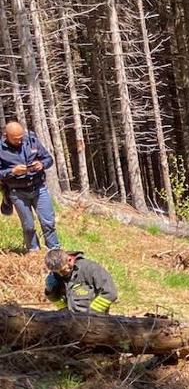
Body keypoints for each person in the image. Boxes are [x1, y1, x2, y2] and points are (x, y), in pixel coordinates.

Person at [0, 121, 60, 252]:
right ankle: (33, 252)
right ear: (6, 136)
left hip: (39, 188)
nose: (19, 141)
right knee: (28, 226)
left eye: (21, 137)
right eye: (15, 139)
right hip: (17, 192)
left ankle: (54, 250)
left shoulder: (32, 141)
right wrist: (12, 171)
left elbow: (48, 159)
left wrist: (41, 164)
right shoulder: (1, 150)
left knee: (48, 222)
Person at [44, 249, 118, 314]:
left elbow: (110, 293)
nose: (61, 275)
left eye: (63, 271)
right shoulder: (56, 275)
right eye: (57, 272)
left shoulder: (90, 268)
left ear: (70, 260)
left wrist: (91, 314)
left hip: (94, 320)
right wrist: (51, 292)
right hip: (71, 320)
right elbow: (57, 300)